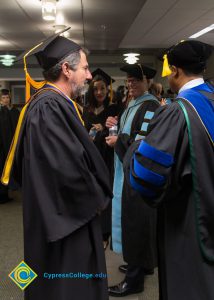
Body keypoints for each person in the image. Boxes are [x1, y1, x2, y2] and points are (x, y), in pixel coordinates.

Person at [1, 30, 112, 300]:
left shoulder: (54, 104)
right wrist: (100, 198)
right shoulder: (48, 108)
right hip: (64, 218)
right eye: (84, 68)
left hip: (58, 213)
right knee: (65, 282)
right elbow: (66, 171)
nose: (88, 75)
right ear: (66, 68)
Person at [125, 40, 214, 300]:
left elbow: (146, 176)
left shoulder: (178, 112)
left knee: (189, 282)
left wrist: (135, 146)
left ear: (175, 71)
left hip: (188, 219)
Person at [106, 64, 160, 297]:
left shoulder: (150, 106)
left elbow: (141, 144)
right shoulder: (133, 105)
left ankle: (134, 280)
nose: (130, 85)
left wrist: (118, 140)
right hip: (127, 171)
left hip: (139, 173)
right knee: (136, 220)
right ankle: (142, 264)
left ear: (147, 81)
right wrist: (114, 126)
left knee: (136, 222)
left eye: (135, 80)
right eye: (128, 80)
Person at [83, 69, 119, 249]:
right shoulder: (86, 110)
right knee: (91, 194)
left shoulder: (114, 109)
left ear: (108, 89)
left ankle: (104, 233)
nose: (99, 92)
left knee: (106, 194)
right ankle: (91, 230)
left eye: (103, 88)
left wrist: (103, 130)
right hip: (90, 159)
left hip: (106, 158)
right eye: (96, 89)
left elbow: (117, 133)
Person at [0, 89, 20, 203]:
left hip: (11, 144)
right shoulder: (1, 112)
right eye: (3, 98)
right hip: (3, 146)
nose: (6, 100)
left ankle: (6, 193)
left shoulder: (14, 111)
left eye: (7, 98)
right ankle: (2, 195)